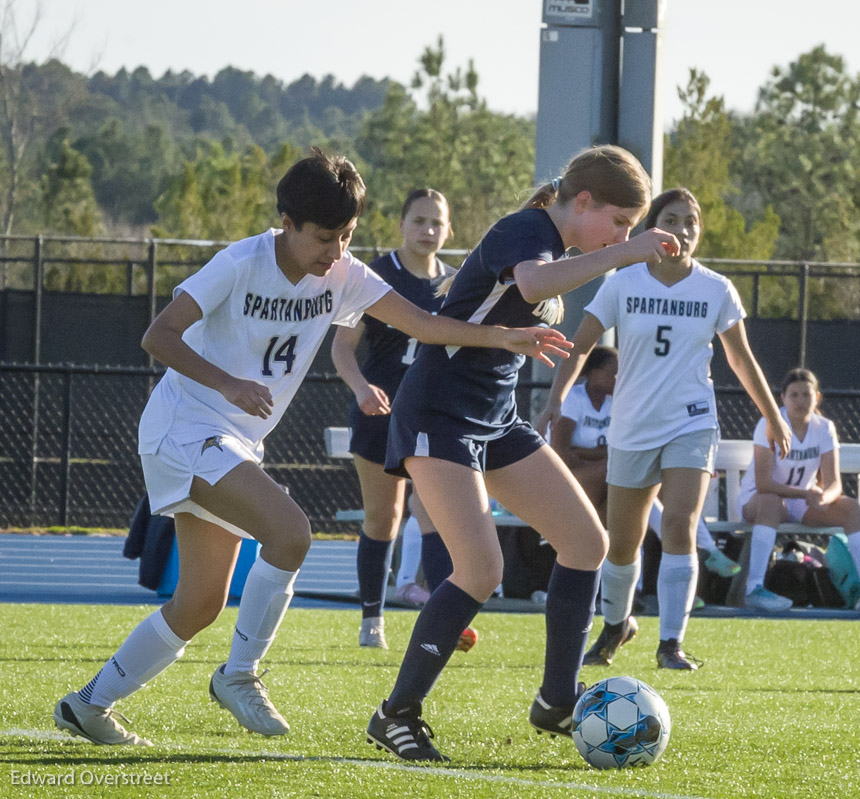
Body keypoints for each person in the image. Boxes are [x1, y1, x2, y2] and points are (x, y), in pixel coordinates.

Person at [52, 150, 568, 747]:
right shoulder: (240, 262)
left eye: (347, 236)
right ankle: (239, 675)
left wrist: (503, 335)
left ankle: (88, 704)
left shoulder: (344, 273)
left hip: (233, 440)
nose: (335, 251)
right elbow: (157, 335)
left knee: (198, 604)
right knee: (292, 532)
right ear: (286, 221)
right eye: (324, 237)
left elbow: (424, 324)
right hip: (184, 429)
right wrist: (228, 383)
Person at [366, 145, 682, 763]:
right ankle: (395, 714)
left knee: (586, 544)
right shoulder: (526, 228)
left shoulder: (558, 243)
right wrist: (628, 251)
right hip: (438, 414)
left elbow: (540, 288)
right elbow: (533, 282)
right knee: (481, 570)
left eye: (631, 227)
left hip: (495, 419)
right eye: (620, 220)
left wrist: (617, 248)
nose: (625, 234)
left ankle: (558, 701)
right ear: (583, 202)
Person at [540, 187, 790, 672]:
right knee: (622, 541)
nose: (683, 230)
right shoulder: (622, 281)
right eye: (672, 220)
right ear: (654, 226)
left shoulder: (716, 288)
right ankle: (617, 625)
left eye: (691, 222)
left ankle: (670, 642)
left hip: (692, 422)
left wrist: (772, 414)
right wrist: (554, 399)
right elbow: (582, 345)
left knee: (679, 525)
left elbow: (740, 357)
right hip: (632, 425)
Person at [330, 189, 458, 649]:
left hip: (432, 417)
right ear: (401, 224)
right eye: (419, 220)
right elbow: (341, 347)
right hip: (379, 414)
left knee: (436, 515)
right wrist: (362, 388)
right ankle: (372, 620)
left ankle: (448, 626)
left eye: (436, 223)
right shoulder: (376, 275)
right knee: (384, 518)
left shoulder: (456, 283)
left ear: (449, 230)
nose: (427, 230)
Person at [550, 345, 740, 579]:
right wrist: (603, 455)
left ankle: (661, 580)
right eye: (614, 372)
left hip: (608, 486)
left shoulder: (617, 403)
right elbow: (560, 453)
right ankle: (702, 550)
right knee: (634, 476)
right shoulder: (574, 398)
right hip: (572, 487)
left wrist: (592, 453)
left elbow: (620, 450)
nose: (620, 378)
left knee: (642, 497)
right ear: (593, 373)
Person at [738, 368, 860, 615]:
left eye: (807, 394)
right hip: (760, 501)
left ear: (817, 397)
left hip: (800, 501)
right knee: (771, 501)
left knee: (851, 508)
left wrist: (823, 498)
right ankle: (754, 589)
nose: (801, 401)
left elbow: (834, 483)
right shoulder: (769, 424)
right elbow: (764, 484)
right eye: (794, 395)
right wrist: (807, 495)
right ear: (782, 398)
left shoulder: (824, 428)